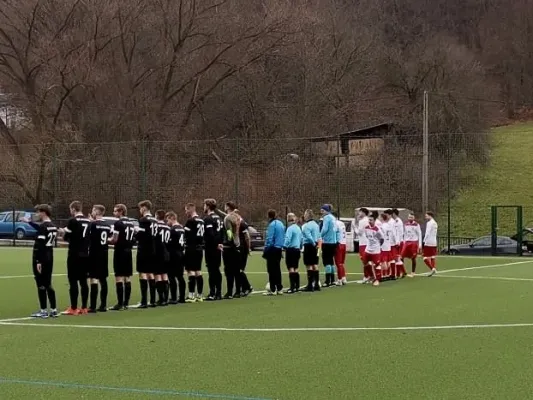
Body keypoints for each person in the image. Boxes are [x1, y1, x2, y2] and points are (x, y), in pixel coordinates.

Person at [26, 205, 59, 318]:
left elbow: (40, 245)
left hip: (41, 258)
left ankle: (43, 310)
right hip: (50, 257)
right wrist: (29, 222)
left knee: (40, 284)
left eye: (39, 212)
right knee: (48, 283)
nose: (37, 214)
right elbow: (41, 229)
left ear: (44, 212)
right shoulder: (53, 226)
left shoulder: (43, 227)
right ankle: (54, 309)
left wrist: (38, 261)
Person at [61, 201, 90, 315]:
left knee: (73, 281)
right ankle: (84, 307)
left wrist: (64, 232)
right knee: (83, 281)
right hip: (85, 254)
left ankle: (73, 308)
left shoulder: (72, 221)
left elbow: (66, 237)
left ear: (73, 209)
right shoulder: (88, 221)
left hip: (74, 254)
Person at [108, 204, 135, 311]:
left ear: (121, 212)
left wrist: (105, 240)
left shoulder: (118, 223)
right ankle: (126, 303)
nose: (114, 213)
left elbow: (114, 239)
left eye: (115, 211)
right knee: (127, 277)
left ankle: (120, 303)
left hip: (120, 251)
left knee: (119, 276)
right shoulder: (131, 223)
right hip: (129, 252)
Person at [88, 205, 112, 312]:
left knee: (93, 279)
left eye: (93, 210)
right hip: (104, 254)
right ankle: (103, 305)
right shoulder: (107, 225)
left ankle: (92, 306)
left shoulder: (93, 224)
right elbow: (110, 237)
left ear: (97, 212)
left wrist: (90, 222)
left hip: (94, 254)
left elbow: (88, 236)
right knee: (103, 279)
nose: (92, 212)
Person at [135, 200, 157, 308]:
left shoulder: (143, 220)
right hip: (152, 249)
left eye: (140, 208)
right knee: (151, 273)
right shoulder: (155, 220)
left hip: (144, 249)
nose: (140, 210)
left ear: (144, 208)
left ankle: (144, 301)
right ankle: (152, 300)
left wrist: (135, 233)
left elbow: (141, 235)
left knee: (142, 273)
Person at [184, 203, 205, 302]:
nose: (185, 212)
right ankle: (200, 295)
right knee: (198, 271)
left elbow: (185, 234)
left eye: (186, 210)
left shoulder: (190, 221)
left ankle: (191, 295)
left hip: (191, 248)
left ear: (190, 210)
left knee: (190, 271)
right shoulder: (201, 220)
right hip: (200, 248)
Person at [203, 199, 223, 301]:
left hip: (211, 247)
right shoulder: (218, 217)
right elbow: (222, 232)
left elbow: (210, 234)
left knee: (211, 270)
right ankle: (218, 293)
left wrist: (215, 244)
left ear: (207, 206)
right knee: (216, 269)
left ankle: (212, 293)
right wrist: (220, 243)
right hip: (218, 246)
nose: (203, 207)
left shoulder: (208, 219)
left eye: (204, 205)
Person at [263, 209, 285, 296]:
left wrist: (266, 248)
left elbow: (270, 238)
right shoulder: (281, 223)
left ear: (269, 216)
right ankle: (279, 288)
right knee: (277, 269)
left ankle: (273, 289)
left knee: (271, 269)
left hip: (272, 249)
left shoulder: (272, 225)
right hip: (279, 248)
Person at [222, 202, 241, 299]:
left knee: (228, 270)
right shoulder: (238, 216)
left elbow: (229, 232)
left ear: (228, 207)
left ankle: (229, 292)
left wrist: (229, 242)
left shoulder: (227, 218)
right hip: (238, 244)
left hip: (230, 247)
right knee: (237, 270)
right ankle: (238, 291)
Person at [166, 211, 186, 304]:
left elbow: (169, 243)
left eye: (168, 220)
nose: (167, 222)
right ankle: (182, 297)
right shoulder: (181, 228)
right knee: (180, 276)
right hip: (181, 253)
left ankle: (173, 297)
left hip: (173, 254)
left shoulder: (172, 229)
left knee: (171, 276)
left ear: (171, 218)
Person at [154, 209, 171, 306]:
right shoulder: (168, 227)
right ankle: (166, 298)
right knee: (165, 275)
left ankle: (161, 299)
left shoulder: (156, 226)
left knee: (158, 275)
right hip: (166, 252)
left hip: (158, 252)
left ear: (156, 216)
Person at [301, 209, 321, 291]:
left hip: (309, 245)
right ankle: (316, 284)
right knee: (315, 264)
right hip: (316, 245)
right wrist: (317, 244)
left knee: (308, 264)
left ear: (307, 215)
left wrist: (312, 243)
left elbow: (308, 236)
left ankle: (310, 285)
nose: (304, 216)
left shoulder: (307, 225)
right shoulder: (316, 225)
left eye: (305, 214)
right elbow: (319, 235)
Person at [283, 213, 303, 294]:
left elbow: (288, 239)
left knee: (291, 267)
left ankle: (292, 287)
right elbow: (301, 239)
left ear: (288, 219)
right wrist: (300, 246)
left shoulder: (290, 229)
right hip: (297, 249)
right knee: (296, 267)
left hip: (291, 249)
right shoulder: (298, 228)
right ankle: (297, 286)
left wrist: (284, 246)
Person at [363, 214, 384, 287]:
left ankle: (377, 280)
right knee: (365, 262)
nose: (369, 221)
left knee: (377, 265)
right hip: (368, 249)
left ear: (374, 221)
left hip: (375, 250)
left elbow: (382, 239)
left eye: (371, 220)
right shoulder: (366, 228)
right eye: (369, 220)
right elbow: (367, 237)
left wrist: (378, 246)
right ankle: (371, 276)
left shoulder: (377, 229)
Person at [235, 210, 253, 297]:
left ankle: (248, 287)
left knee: (240, 269)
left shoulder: (242, 224)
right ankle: (242, 288)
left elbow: (247, 237)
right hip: (239, 248)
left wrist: (248, 248)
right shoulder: (238, 223)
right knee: (238, 270)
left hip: (243, 249)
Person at [320, 204, 337, 287]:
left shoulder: (326, 218)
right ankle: (333, 280)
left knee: (326, 261)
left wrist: (320, 235)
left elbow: (325, 229)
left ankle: (327, 281)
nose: (321, 212)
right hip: (333, 242)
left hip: (327, 242)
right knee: (331, 261)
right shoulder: (333, 218)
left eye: (322, 210)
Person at [380, 212, 395, 281]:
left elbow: (381, 236)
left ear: (382, 218)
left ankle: (383, 275)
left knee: (383, 261)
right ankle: (387, 274)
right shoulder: (389, 225)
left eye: (380, 217)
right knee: (388, 260)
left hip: (383, 245)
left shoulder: (382, 226)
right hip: (388, 244)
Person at [357, 208, 371, 283]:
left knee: (364, 260)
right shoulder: (368, 220)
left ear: (363, 213)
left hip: (363, 243)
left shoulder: (362, 221)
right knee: (368, 260)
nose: (359, 213)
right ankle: (369, 276)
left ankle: (367, 276)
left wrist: (354, 227)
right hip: (368, 242)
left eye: (360, 212)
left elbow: (359, 232)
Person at [391, 209, 406, 278]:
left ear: (394, 213)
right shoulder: (396, 221)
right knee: (397, 258)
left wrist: (397, 242)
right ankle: (403, 272)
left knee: (397, 258)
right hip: (398, 241)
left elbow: (398, 233)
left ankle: (399, 273)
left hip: (399, 242)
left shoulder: (397, 221)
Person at [333, 212, 347, 285]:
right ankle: (343, 277)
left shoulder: (335, 223)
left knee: (338, 263)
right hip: (344, 243)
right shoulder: (342, 223)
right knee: (341, 263)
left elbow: (334, 233)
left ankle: (339, 279)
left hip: (339, 244)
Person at [423, 211, 438, 276]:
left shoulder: (429, 223)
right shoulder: (435, 223)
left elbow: (427, 233)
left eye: (426, 216)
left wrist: (424, 241)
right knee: (432, 256)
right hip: (434, 242)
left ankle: (432, 269)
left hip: (428, 242)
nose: (426, 217)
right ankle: (433, 268)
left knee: (424, 257)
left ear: (430, 216)